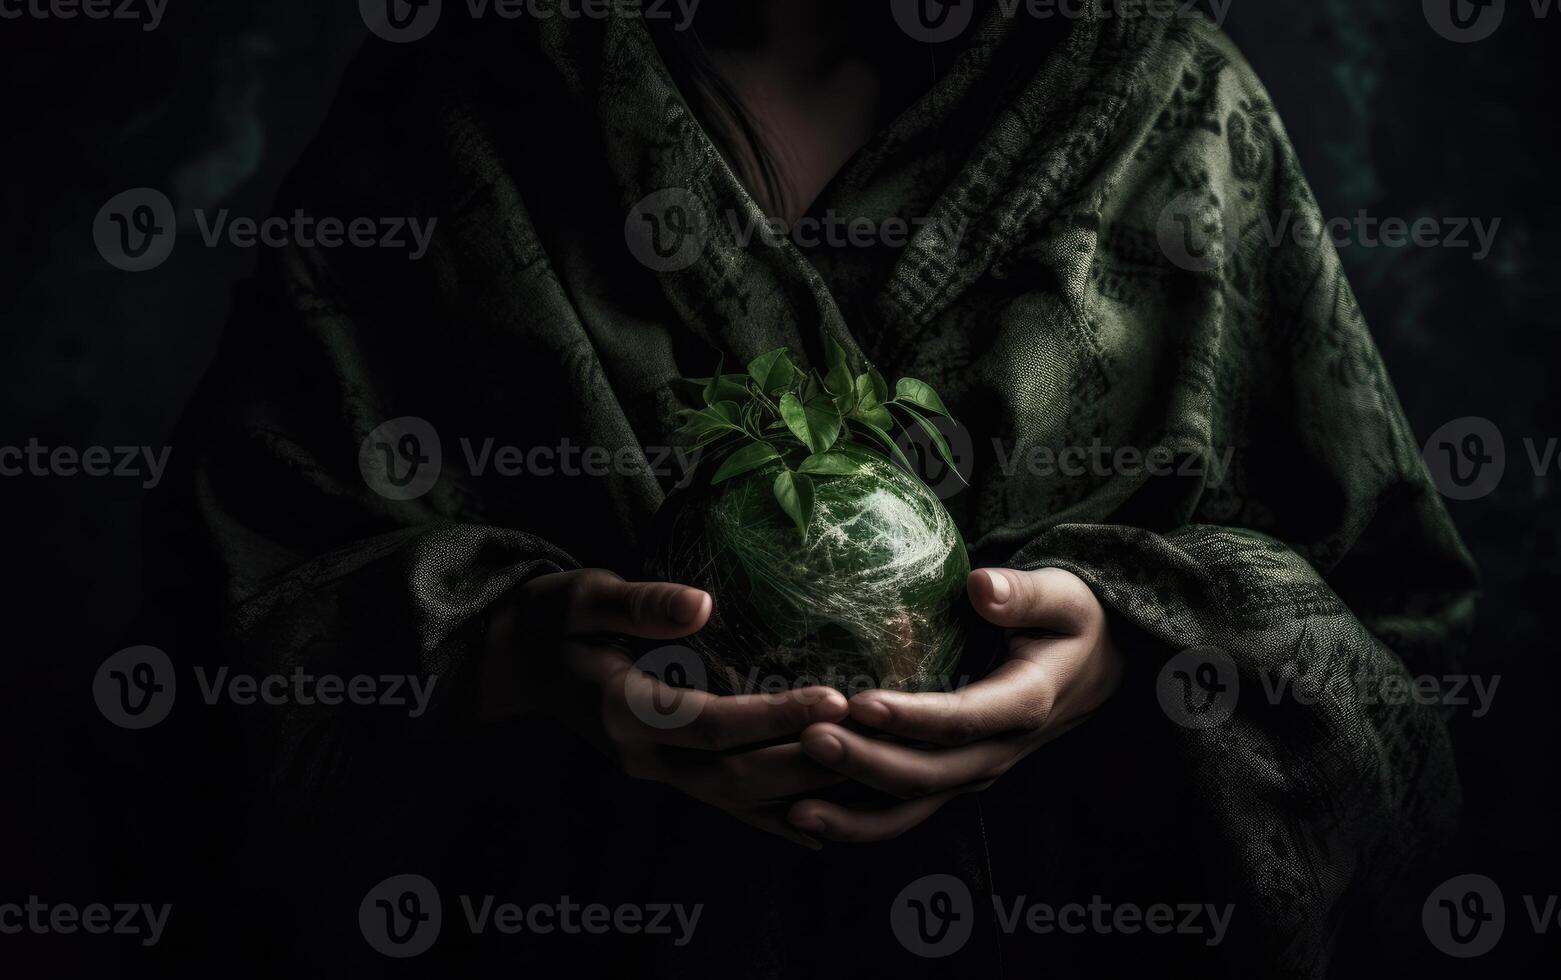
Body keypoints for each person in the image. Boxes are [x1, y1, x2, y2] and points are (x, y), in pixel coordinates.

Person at [139, 1, 1477, 976]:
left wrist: (1127, 643)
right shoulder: (466, 99)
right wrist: (509, 650)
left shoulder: (1172, 105)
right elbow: (220, 615)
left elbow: (1391, 641)